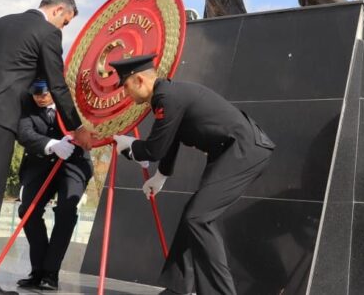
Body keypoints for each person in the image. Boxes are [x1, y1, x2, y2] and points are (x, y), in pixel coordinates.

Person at [0, 0, 93, 295]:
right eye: (66, 22)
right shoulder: (47, 33)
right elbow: (57, 83)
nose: (63, 29)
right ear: (59, 10)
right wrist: (77, 127)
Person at [111, 54, 275, 295]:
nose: (126, 94)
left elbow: (154, 149)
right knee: (194, 216)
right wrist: (161, 176)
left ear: (139, 81)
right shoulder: (167, 96)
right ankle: (178, 289)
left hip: (244, 150)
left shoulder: (167, 97)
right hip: (231, 151)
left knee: (198, 218)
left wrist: (130, 146)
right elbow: (171, 140)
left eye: (125, 87)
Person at [14, 80, 93, 291]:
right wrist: (52, 145)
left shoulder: (73, 101)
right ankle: (38, 269)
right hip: (41, 163)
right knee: (28, 212)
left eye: (44, 93)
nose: (40, 97)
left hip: (74, 164)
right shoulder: (26, 106)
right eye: (35, 93)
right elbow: (24, 133)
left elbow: (93, 123)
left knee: (66, 211)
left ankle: (50, 272)